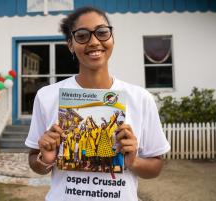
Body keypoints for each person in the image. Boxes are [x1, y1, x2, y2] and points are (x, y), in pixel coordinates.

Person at [25, 6, 170, 201]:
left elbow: (155, 167)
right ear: (70, 44)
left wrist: (133, 161)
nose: (94, 42)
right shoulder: (47, 96)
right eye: (82, 35)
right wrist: (45, 160)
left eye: (102, 33)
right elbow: (35, 160)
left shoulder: (140, 98)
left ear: (112, 38)